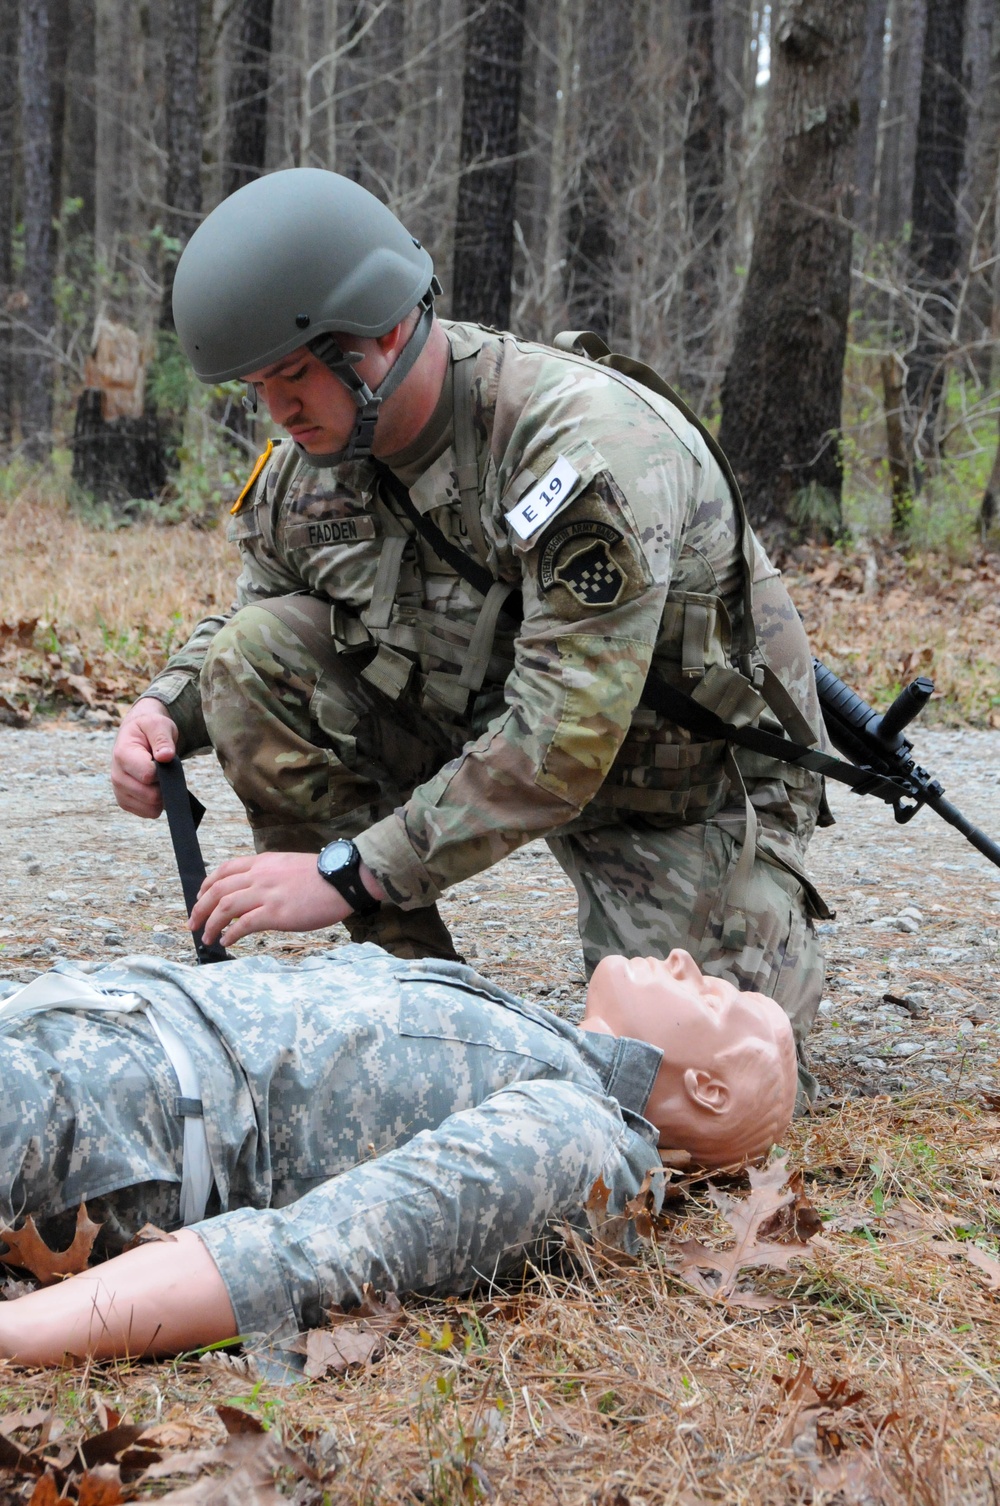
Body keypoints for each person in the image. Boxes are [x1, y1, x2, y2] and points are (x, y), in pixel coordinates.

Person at [109, 167, 830, 1086]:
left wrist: (344, 872)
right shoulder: (318, 457)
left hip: (674, 779)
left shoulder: (574, 449)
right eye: (258, 386)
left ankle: (762, 907)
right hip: (481, 720)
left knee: (693, 1085)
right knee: (253, 663)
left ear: (388, 330)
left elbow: (564, 740)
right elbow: (259, 613)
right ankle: (409, 995)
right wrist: (163, 706)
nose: (279, 412)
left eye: (294, 376)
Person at [0, 944, 795, 1364]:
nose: (689, 962)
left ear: (708, 1091)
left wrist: (16, 1335)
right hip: (66, 1040)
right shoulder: (545, 1043)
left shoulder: (583, 1136)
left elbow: (311, 1254)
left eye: (716, 997)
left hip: (98, 1114)